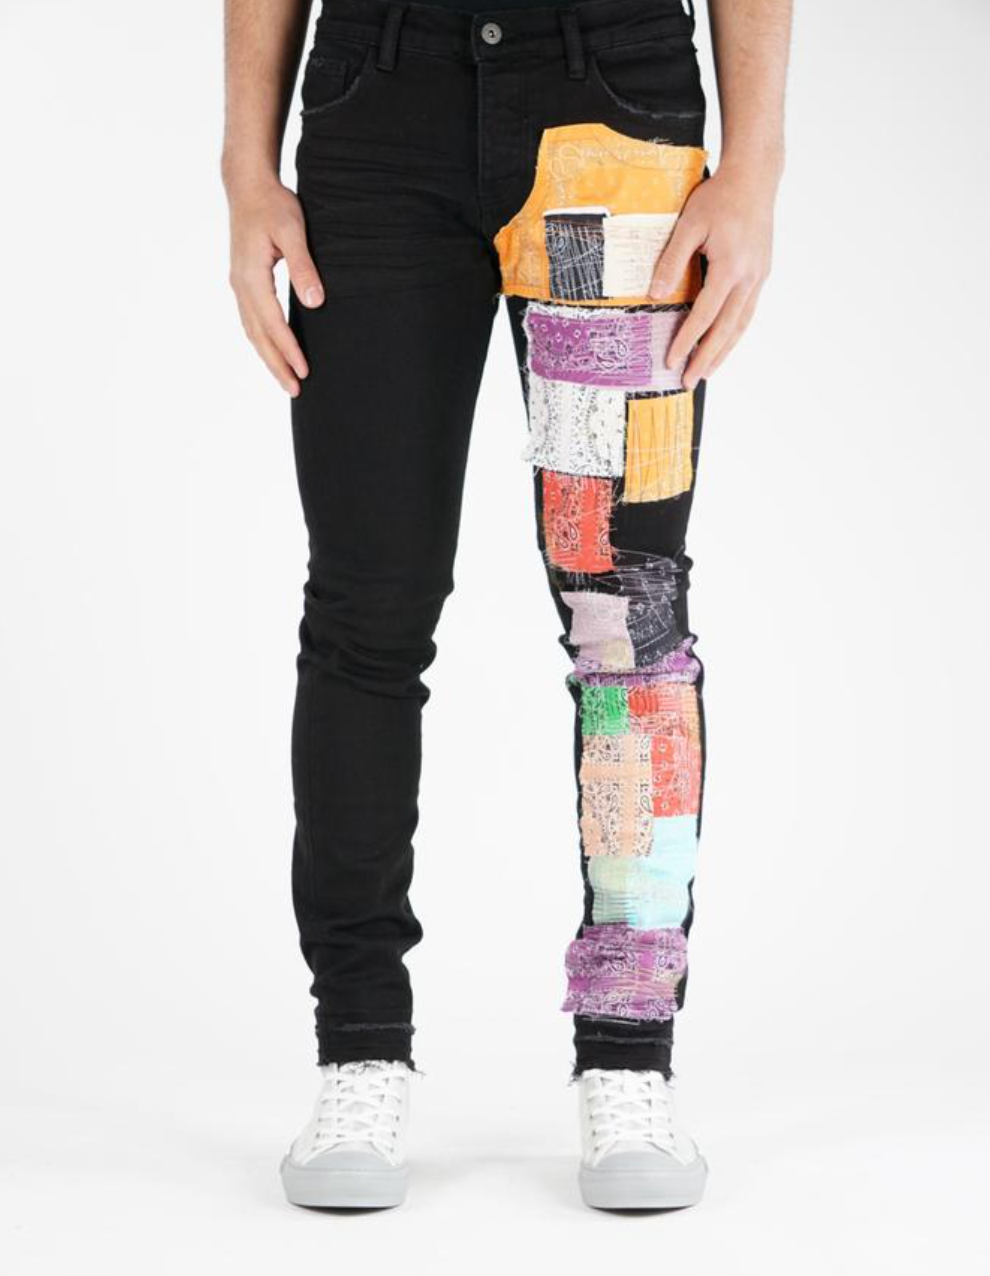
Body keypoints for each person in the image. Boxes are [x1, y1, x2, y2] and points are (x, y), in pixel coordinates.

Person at [222, 0, 790, 1211]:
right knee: (367, 609)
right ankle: (359, 1049)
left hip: (611, 103)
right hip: (377, 108)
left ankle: (628, 1055)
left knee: (624, 615)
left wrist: (755, 166)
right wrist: (244, 164)